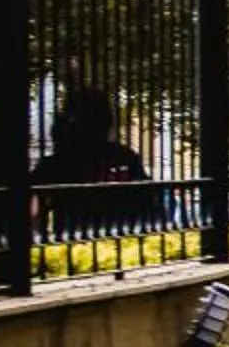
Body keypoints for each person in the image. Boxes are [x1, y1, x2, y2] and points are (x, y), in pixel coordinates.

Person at [32, 86, 155, 236]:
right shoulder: (125, 156)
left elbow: (35, 210)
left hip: (74, 238)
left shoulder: (56, 163)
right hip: (121, 236)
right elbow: (146, 200)